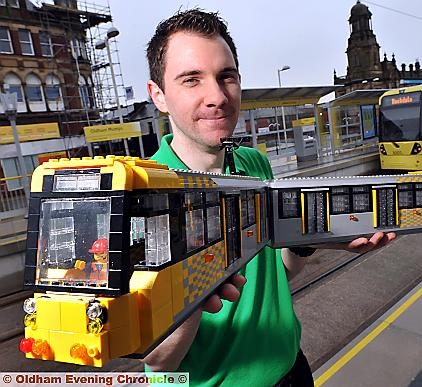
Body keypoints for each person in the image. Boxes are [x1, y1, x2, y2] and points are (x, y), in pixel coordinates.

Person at [144, 9, 396, 386]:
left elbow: (279, 274)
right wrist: (195, 287)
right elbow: (160, 361)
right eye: (191, 80)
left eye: (226, 76)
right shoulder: (143, 195)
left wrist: (310, 242)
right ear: (159, 96)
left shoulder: (255, 163)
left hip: (293, 370)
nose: (217, 96)